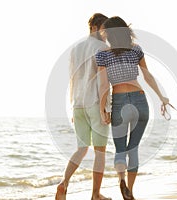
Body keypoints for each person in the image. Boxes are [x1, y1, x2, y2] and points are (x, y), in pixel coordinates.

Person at [96, 16, 169, 200]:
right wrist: (162, 97)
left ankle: (121, 179)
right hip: (140, 100)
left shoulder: (103, 54)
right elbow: (148, 77)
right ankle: (130, 191)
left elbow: (104, 86)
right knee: (133, 149)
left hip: (119, 102)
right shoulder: (136, 50)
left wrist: (102, 110)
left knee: (120, 150)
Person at [56, 13, 112, 200]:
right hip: (96, 104)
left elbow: (72, 79)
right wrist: (106, 109)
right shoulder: (103, 47)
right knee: (100, 152)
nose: (106, 34)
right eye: (104, 29)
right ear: (95, 27)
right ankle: (95, 194)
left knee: (81, 149)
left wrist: (73, 105)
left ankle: (64, 183)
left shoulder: (75, 49)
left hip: (77, 104)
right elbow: (103, 83)